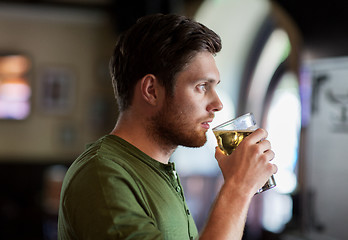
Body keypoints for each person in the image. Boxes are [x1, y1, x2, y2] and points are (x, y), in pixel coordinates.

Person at [58, 13, 277, 240]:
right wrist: (238, 187)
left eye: (215, 87)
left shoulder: (158, 170)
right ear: (152, 90)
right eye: (202, 86)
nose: (218, 104)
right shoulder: (102, 176)